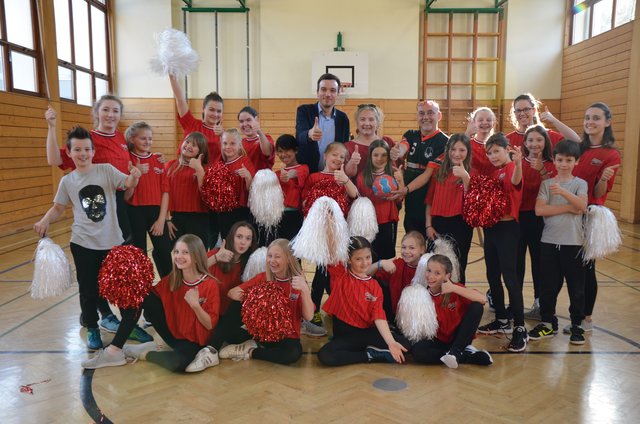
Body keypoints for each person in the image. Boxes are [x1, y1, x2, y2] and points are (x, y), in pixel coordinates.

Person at [34, 126, 143, 350]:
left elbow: (128, 184)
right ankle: (92, 326)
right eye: (77, 150)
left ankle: (128, 326)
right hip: (83, 243)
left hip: (113, 242)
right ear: (70, 152)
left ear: (93, 152)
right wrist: (45, 220)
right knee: (88, 289)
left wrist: (134, 176)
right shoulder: (68, 181)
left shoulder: (106, 170)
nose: (82, 153)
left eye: (86, 149)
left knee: (121, 287)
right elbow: (57, 208)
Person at [45, 98, 133, 332]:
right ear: (96, 113)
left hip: (117, 207)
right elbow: (55, 160)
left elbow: (127, 177)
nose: (110, 115)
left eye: (115, 111)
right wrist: (52, 127)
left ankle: (126, 319)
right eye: (105, 110)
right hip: (90, 206)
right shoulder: (85, 140)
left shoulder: (122, 139)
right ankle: (101, 315)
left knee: (118, 268)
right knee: (91, 273)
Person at [85, 234, 222, 373]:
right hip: (171, 334)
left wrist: (195, 305)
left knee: (179, 364)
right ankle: (114, 351)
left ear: (197, 256)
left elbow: (209, 324)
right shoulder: (173, 278)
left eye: (185, 252)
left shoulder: (210, 284)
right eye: (176, 251)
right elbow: (149, 298)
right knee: (142, 293)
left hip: (193, 342)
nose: (179, 256)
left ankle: (139, 352)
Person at [529, 140, 588, 345]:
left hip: (574, 243)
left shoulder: (580, 184)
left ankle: (576, 325)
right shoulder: (546, 184)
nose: (564, 164)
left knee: (576, 287)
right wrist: (567, 208)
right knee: (548, 286)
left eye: (569, 160)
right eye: (560, 160)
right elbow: (540, 210)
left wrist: (563, 193)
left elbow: (581, 206)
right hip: (549, 242)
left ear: (576, 162)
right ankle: (547, 323)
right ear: (553, 160)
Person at [317, 236, 410, 366]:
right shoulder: (341, 275)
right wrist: (330, 220)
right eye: (358, 259)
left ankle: (374, 348)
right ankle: (369, 355)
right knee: (326, 355)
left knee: (404, 346)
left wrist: (391, 342)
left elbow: (378, 315)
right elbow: (330, 246)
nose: (365, 263)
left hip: (366, 333)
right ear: (349, 260)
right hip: (345, 335)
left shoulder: (374, 286)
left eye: (368, 257)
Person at [569, 102, 621, 334]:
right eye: (587, 117)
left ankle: (585, 317)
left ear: (607, 122)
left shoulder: (611, 154)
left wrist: (603, 179)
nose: (590, 121)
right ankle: (575, 315)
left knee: (586, 269)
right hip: (568, 214)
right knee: (571, 269)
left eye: (596, 118)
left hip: (589, 216)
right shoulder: (577, 149)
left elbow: (600, 193)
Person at [220, 239, 315, 365]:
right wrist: (260, 298)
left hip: (286, 337)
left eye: (277, 257)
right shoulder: (264, 277)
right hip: (262, 334)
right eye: (269, 256)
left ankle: (251, 352)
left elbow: (309, 316)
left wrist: (304, 290)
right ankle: (249, 344)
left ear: (288, 259)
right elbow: (232, 293)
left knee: (293, 353)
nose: (272, 261)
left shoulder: (298, 281)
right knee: (230, 318)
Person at [476, 133, 528, 353]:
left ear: (508, 149)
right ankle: (502, 318)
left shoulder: (511, 169)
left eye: (496, 151)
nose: (492, 156)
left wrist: (518, 164)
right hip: (492, 229)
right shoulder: (494, 172)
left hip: (508, 229)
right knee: (491, 275)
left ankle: (520, 328)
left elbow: (516, 181)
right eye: (489, 153)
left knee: (510, 277)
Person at [302, 142, 358, 334]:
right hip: (320, 231)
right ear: (325, 156)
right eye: (335, 155)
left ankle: (335, 307)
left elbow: (355, 195)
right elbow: (305, 201)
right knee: (322, 270)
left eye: (342, 157)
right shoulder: (314, 177)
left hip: (337, 232)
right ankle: (315, 310)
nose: (338, 159)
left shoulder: (343, 178)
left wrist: (345, 180)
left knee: (336, 270)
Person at [169, 75, 224, 247]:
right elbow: (180, 99)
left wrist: (222, 136)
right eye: (211, 109)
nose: (215, 114)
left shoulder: (223, 134)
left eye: (219, 111)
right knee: (178, 245)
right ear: (203, 110)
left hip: (202, 191)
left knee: (202, 242)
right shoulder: (192, 124)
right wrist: (172, 77)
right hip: (181, 186)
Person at [412, 254, 493, 368]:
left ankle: (456, 350)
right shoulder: (422, 295)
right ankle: (466, 356)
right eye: (429, 270)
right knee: (418, 352)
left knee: (476, 306)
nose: (430, 276)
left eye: (437, 273)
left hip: (459, 338)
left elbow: (482, 299)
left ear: (447, 276)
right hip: (439, 342)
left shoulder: (455, 289)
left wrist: (455, 288)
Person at [124, 121, 173, 277]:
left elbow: (166, 192)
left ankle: (169, 290)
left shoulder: (158, 160)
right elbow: (126, 196)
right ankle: (142, 292)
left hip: (156, 213)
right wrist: (135, 174)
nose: (147, 142)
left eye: (150, 138)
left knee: (165, 253)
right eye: (143, 138)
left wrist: (161, 219)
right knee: (139, 255)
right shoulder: (128, 160)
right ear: (132, 139)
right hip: (134, 212)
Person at [393, 100, 448, 237]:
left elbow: (427, 175)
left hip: (431, 204)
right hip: (411, 203)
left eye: (430, 113)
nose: (426, 117)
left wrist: (405, 190)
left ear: (439, 116)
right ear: (417, 116)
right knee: (412, 243)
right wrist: (396, 152)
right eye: (421, 113)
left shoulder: (444, 142)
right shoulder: (410, 135)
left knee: (430, 247)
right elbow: (403, 147)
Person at [518, 125, 556, 319]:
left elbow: (553, 191)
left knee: (539, 263)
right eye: (530, 140)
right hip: (519, 218)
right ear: (525, 143)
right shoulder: (518, 163)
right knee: (517, 263)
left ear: (545, 142)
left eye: (539, 140)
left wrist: (542, 170)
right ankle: (516, 305)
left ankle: (539, 303)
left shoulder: (551, 164)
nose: (534, 144)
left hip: (540, 219)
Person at [425, 134, 473, 284]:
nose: (457, 154)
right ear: (447, 150)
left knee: (458, 264)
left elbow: (472, 202)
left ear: (468, 152)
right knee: (435, 264)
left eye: (462, 150)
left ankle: (456, 300)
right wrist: (429, 225)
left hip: (461, 224)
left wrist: (465, 177)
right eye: (453, 149)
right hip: (438, 223)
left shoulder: (472, 173)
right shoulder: (439, 172)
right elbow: (429, 201)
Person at [206, 221, 257, 351]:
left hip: (229, 316)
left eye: (247, 238)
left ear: (251, 243)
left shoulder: (250, 263)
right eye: (239, 237)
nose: (243, 242)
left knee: (252, 335)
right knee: (234, 335)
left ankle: (212, 347)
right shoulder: (217, 253)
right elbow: (193, 270)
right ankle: (212, 347)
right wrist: (216, 258)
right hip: (208, 313)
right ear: (231, 237)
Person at [355, 139, 401, 260]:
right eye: (376, 155)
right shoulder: (363, 176)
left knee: (387, 255)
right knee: (370, 255)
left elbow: (400, 198)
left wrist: (400, 180)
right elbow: (359, 201)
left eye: (383, 155)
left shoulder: (394, 173)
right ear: (370, 156)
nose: (379, 158)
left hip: (387, 221)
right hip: (369, 223)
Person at [295, 73, 350, 173]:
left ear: (337, 94)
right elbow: (299, 137)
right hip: (308, 173)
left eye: (332, 90)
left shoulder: (343, 118)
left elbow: (344, 146)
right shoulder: (304, 111)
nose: (328, 94)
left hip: (333, 175)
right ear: (317, 92)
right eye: (323, 89)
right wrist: (309, 134)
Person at [165, 132, 211, 248]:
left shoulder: (206, 169)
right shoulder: (170, 166)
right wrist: (167, 219)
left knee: (197, 255)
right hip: (174, 218)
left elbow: (207, 197)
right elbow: (164, 193)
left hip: (198, 219)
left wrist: (199, 170)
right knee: (162, 250)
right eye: (187, 142)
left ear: (201, 151)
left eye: (194, 145)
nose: (189, 146)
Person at [373, 231, 427, 321]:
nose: (406, 251)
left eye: (412, 248)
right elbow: (366, 274)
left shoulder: (428, 268)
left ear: (422, 249)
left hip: (420, 318)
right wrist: (380, 263)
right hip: (397, 317)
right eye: (404, 247)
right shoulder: (397, 264)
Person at [217, 129, 255, 240]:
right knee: (227, 240)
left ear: (239, 145)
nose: (227, 147)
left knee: (240, 241)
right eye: (225, 143)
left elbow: (252, 189)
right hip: (224, 212)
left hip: (241, 211)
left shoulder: (245, 161)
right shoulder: (220, 164)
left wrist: (248, 176)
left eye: (232, 143)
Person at [506, 93, 579, 148]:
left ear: (534, 110)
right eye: (518, 110)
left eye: (526, 109)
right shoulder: (508, 139)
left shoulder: (546, 134)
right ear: (514, 113)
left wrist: (554, 120)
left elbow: (576, 141)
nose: (522, 113)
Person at [274, 134, 309, 241]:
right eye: (280, 151)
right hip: (277, 216)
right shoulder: (277, 173)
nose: (283, 154)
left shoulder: (304, 168)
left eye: (287, 150)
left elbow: (295, 173)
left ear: (296, 151)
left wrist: (288, 175)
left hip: (294, 215)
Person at [344, 104, 394, 177]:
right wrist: (352, 162)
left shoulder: (388, 142)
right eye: (362, 119)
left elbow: (395, 170)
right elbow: (347, 175)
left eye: (371, 119)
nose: (367, 123)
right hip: (355, 188)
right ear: (357, 122)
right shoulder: (347, 147)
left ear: (377, 122)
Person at [237, 106, 275, 171]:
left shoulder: (266, 138)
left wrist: (259, 132)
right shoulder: (240, 142)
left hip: (263, 180)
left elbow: (267, 152)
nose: (245, 124)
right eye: (241, 121)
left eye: (248, 120)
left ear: (256, 119)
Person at [465, 107, 497, 177]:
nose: (485, 122)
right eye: (480, 120)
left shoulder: (498, 145)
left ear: (493, 123)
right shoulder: (468, 144)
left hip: (495, 184)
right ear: (473, 122)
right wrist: (467, 134)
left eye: (488, 120)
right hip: (472, 184)